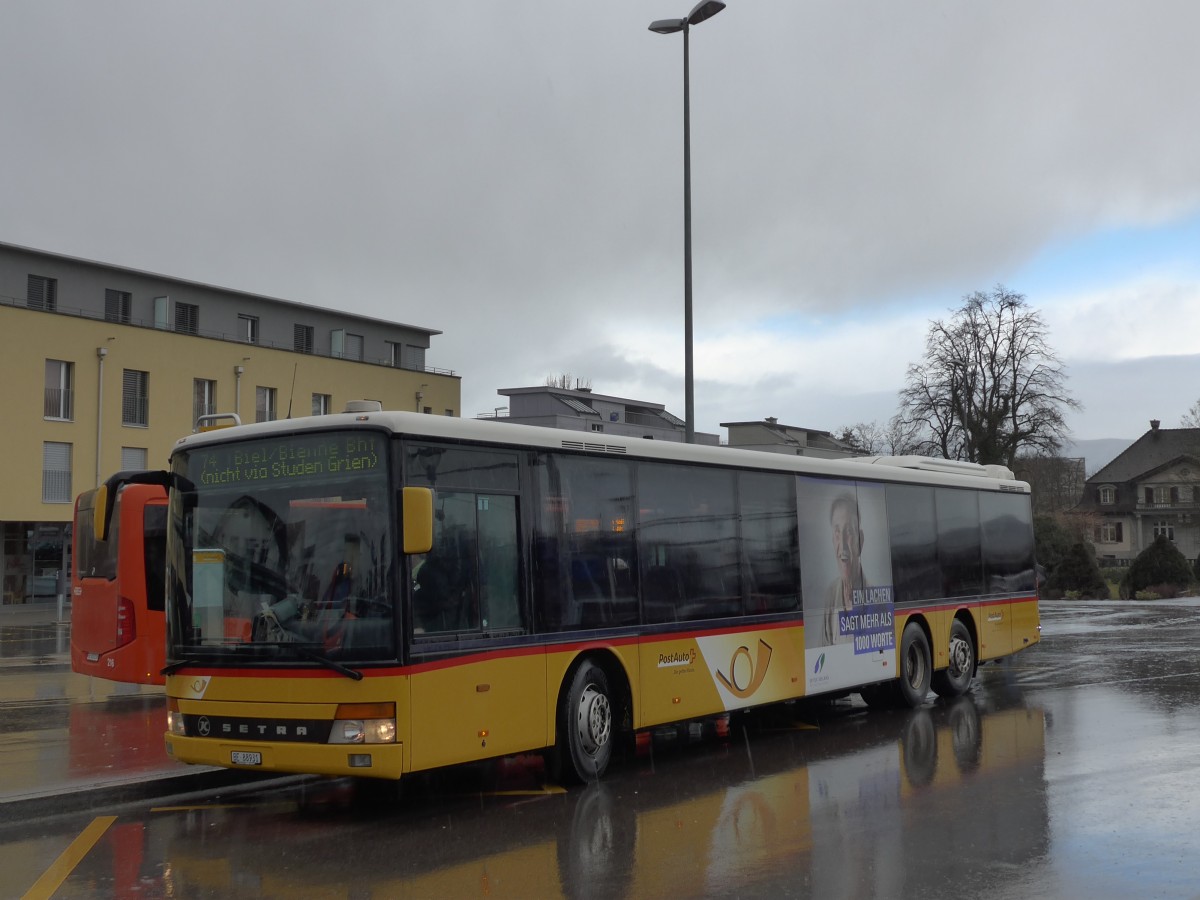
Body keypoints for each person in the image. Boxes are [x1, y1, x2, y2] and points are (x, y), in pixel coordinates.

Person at [823, 492, 866, 646]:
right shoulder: (830, 596)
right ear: (832, 541)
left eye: (848, 531)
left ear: (860, 542)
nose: (842, 544)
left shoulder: (878, 600)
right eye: (837, 531)